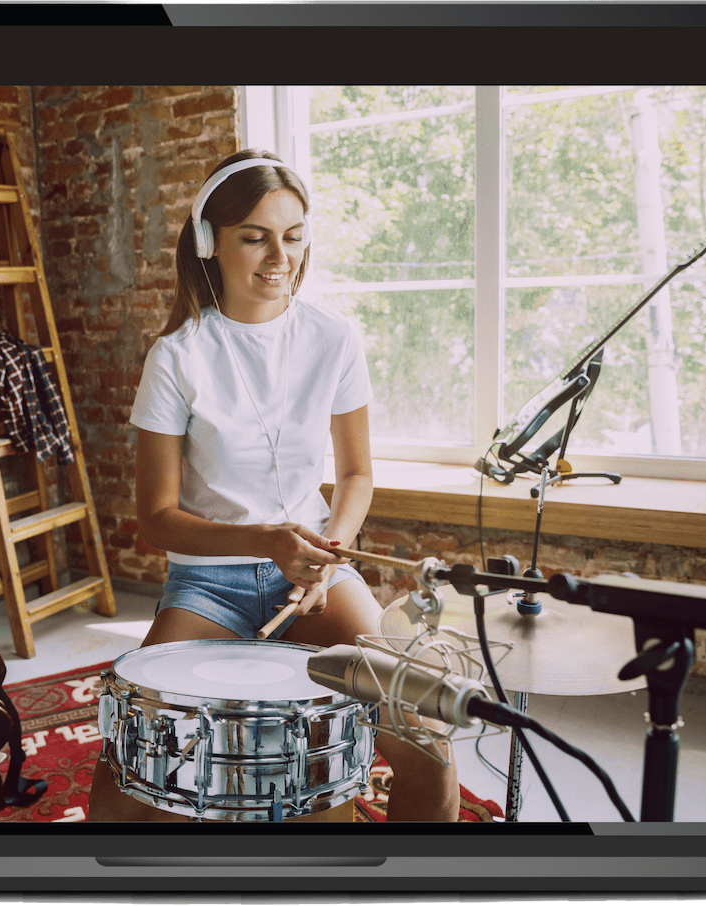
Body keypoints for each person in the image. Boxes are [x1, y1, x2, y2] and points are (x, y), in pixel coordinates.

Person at [87, 150, 459, 822]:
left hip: (321, 578)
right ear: (210, 243)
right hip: (207, 585)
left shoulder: (335, 338)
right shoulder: (176, 357)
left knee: (426, 742)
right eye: (254, 237)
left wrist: (329, 553)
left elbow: (355, 475)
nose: (278, 257)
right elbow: (157, 518)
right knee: (123, 775)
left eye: (292, 237)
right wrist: (265, 538)